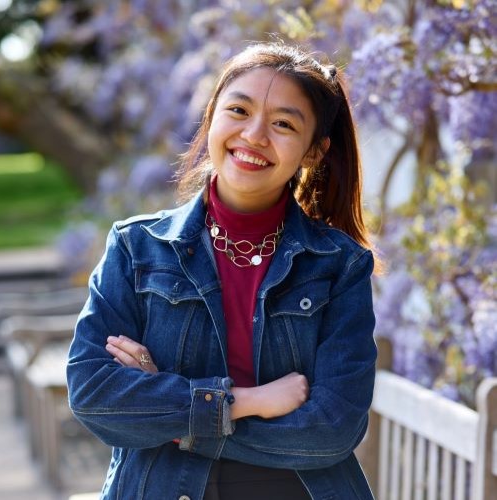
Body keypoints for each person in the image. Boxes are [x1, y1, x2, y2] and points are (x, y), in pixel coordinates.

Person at [67, 41, 378, 500]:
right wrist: (247, 402)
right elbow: (95, 394)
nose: (254, 135)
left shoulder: (338, 265)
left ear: (314, 152)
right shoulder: (137, 249)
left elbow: (331, 429)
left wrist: (177, 417)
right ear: (211, 115)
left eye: (283, 124)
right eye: (239, 110)